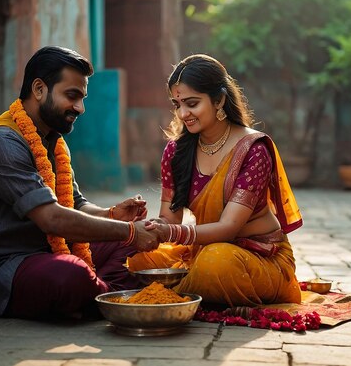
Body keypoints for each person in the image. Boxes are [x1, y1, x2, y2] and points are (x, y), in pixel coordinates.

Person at [0, 46, 163, 321]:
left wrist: (112, 215)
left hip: (47, 251)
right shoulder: (2, 142)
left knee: (133, 244)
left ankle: (97, 297)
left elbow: (73, 204)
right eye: (72, 96)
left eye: (82, 98)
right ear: (39, 89)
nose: (80, 108)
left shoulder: (53, 140)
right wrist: (128, 231)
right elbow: (51, 218)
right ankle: (103, 295)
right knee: (71, 274)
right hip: (4, 269)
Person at [127, 54, 304, 307]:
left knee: (215, 263)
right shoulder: (176, 152)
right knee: (137, 259)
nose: (182, 114)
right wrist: (150, 226)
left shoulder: (253, 150)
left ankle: (172, 295)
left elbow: (228, 228)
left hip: (255, 257)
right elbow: (170, 219)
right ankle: (183, 292)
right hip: (201, 249)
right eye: (177, 105)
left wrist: (170, 232)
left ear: (219, 99)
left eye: (191, 103)